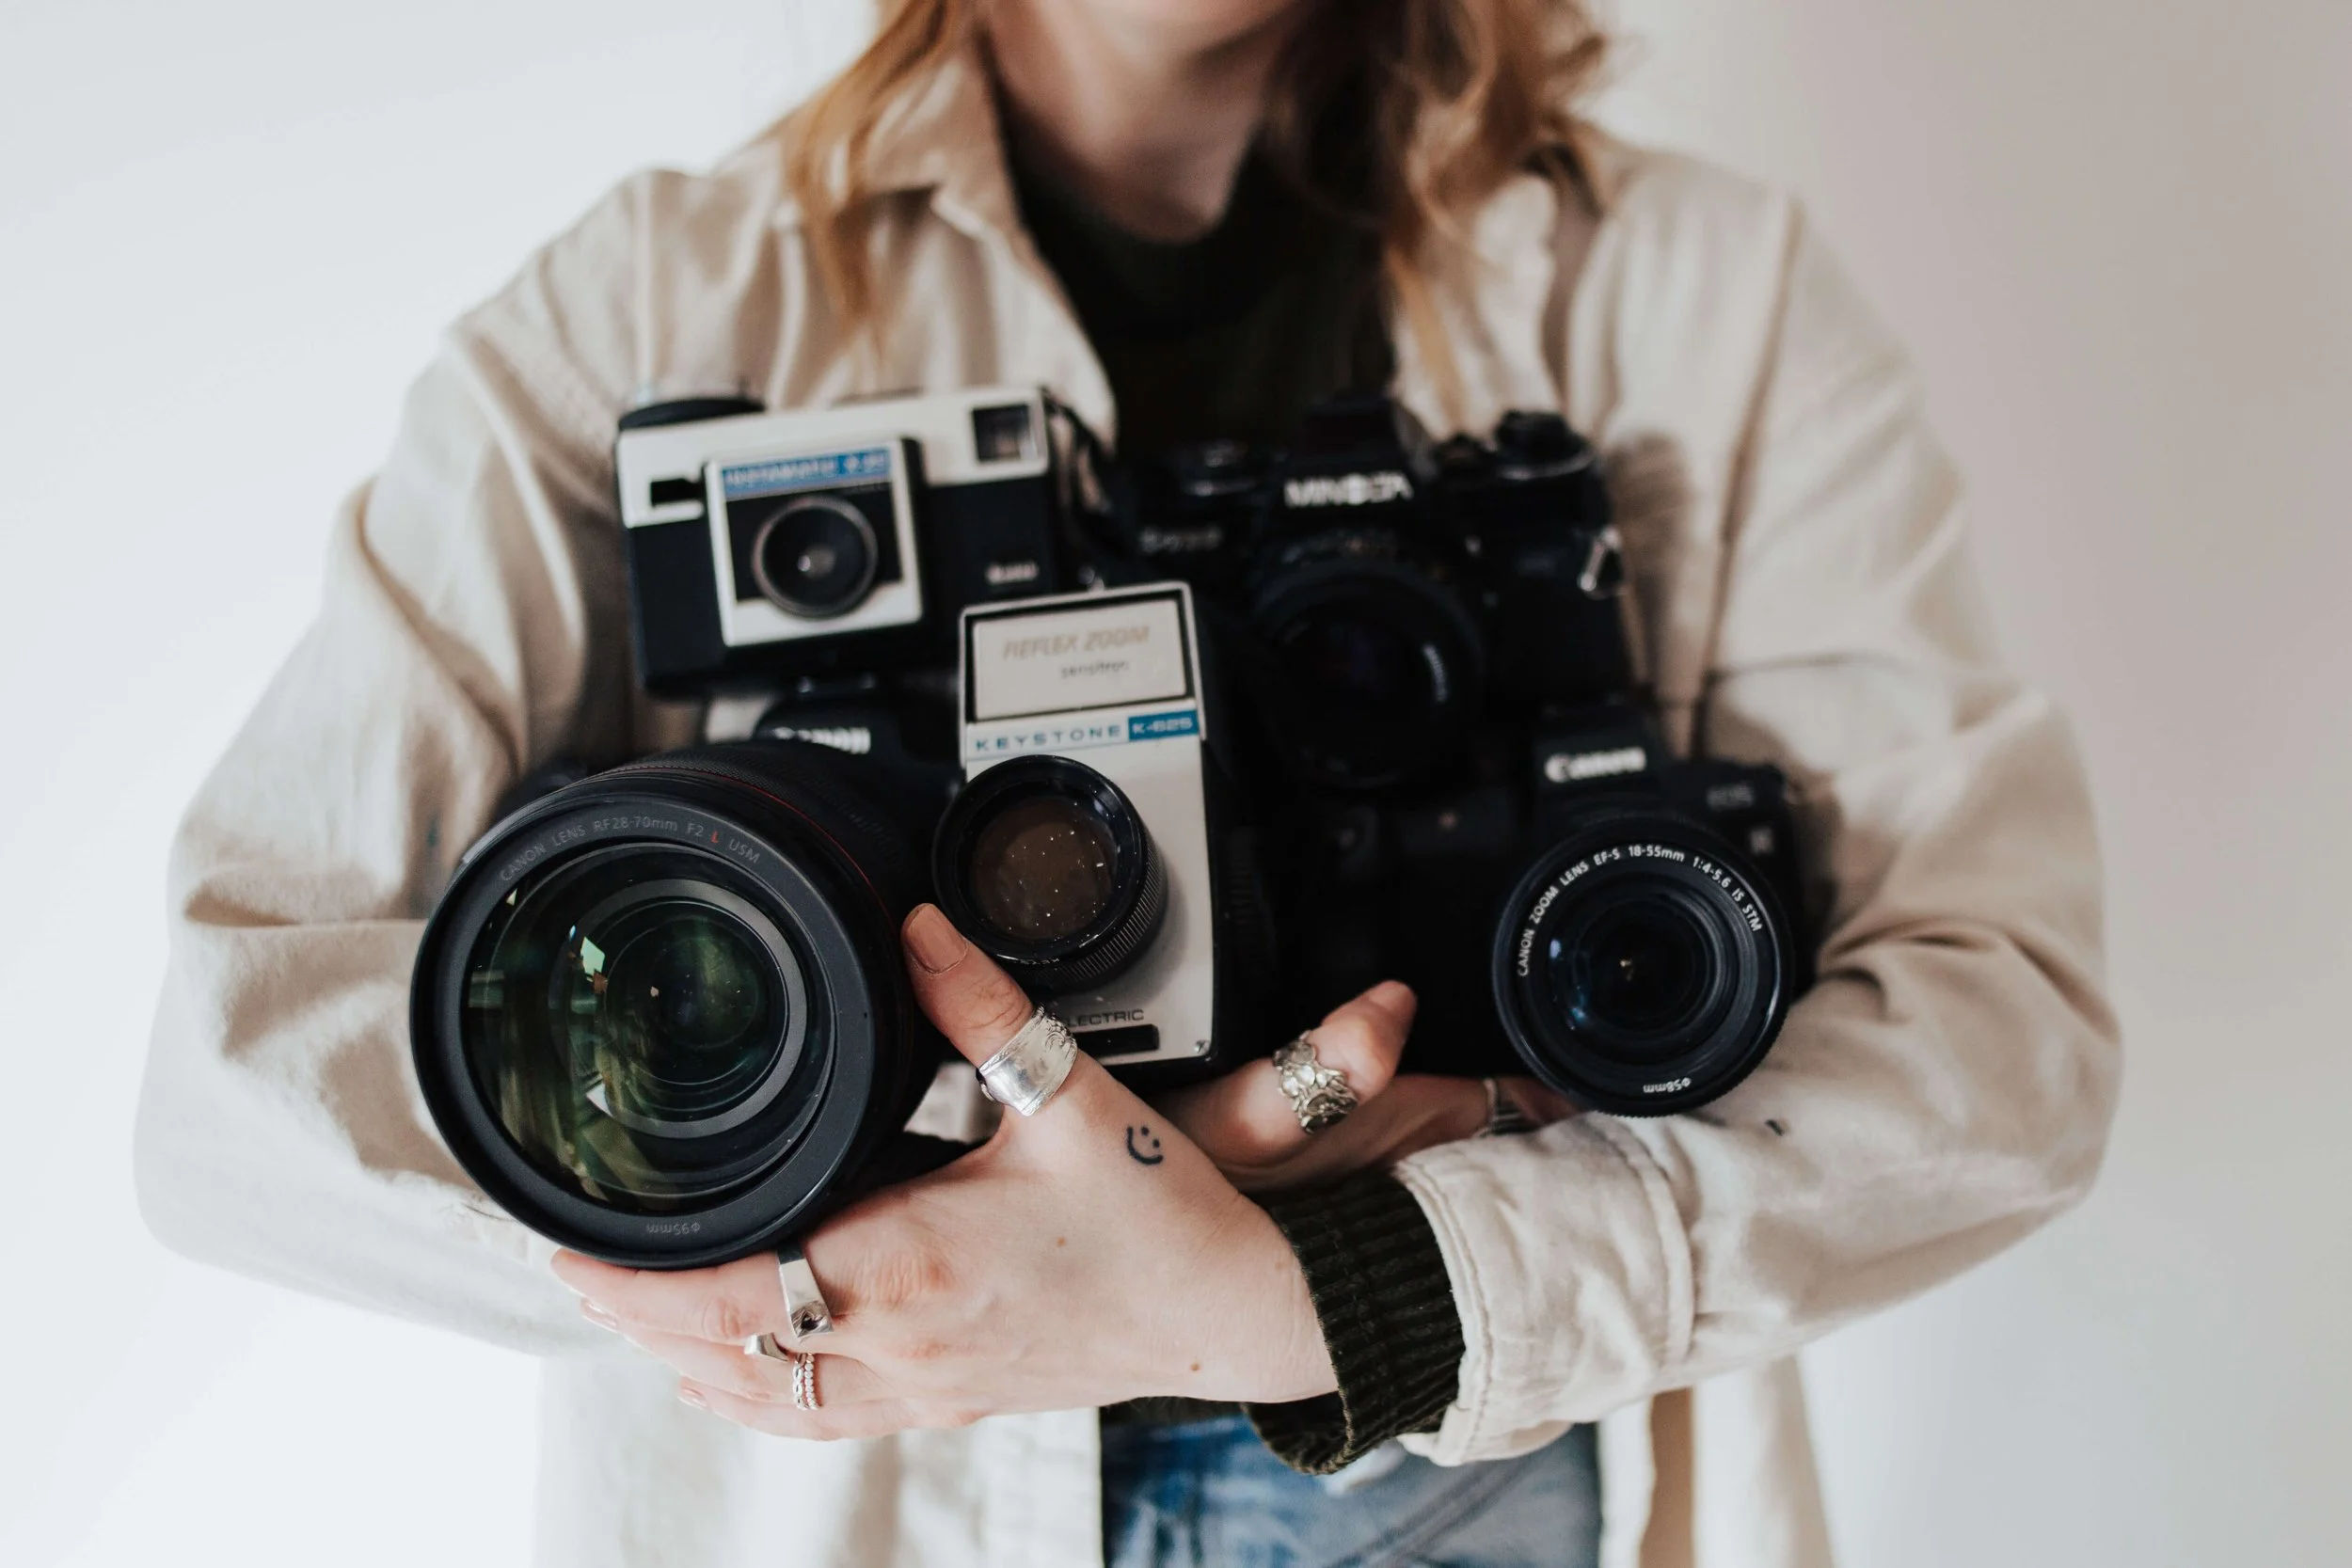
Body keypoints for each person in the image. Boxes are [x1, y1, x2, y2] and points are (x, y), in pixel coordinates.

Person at [133, 0, 2122, 1564]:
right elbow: (244, 1058)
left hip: (1464, 1468)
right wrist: (892, 1231)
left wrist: (1322, 1289)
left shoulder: (1700, 298)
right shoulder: (657, 314)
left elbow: (1989, 1030)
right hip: (856, 1509)